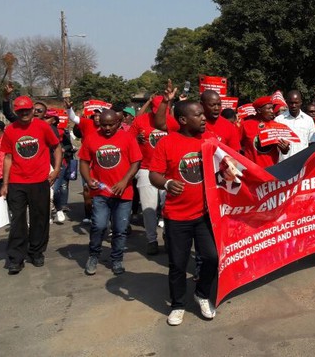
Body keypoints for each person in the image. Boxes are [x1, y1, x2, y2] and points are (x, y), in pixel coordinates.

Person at [149, 100, 219, 326]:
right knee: (178, 265)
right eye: (198, 115)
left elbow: (224, 165)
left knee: (211, 258)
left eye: (202, 114)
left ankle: (202, 294)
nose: (203, 118)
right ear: (182, 120)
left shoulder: (210, 139)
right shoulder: (166, 143)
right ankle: (178, 305)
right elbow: (154, 175)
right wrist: (167, 183)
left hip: (204, 215)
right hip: (177, 217)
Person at [0, 96, 62, 274]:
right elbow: (8, 157)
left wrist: (56, 169)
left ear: (32, 110)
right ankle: (16, 258)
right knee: (18, 220)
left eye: (27, 110)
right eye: (20, 111)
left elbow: (56, 147)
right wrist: (5, 184)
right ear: (16, 112)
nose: (24, 113)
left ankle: (36, 251)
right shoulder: (11, 130)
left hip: (40, 181)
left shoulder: (43, 127)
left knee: (39, 218)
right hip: (17, 182)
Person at [79, 109, 142, 276]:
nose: (107, 128)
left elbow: (136, 162)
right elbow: (84, 162)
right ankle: (93, 255)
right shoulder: (92, 138)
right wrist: (88, 179)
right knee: (98, 226)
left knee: (120, 229)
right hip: (100, 193)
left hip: (124, 194)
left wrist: (124, 182)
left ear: (118, 123)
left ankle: (117, 259)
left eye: (111, 125)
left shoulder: (127, 137)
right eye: (103, 125)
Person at [132, 89, 180, 255]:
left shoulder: (172, 121)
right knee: (149, 207)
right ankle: (151, 239)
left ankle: (168, 235)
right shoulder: (140, 121)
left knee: (169, 206)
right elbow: (129, 142)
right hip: (146, 169)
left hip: (169, 171)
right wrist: (136, 141)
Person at [239, 96, 290, 167]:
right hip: (252, 171)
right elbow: (237, 146)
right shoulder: (246, 125)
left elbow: (285, 151)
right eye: (269, 109)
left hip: (271, 171)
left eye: (272, 108)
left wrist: (285, 149)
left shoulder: (276, 126)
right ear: (259, 110)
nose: (272, 111)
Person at [275, 90, 315, 161]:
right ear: (287, 102)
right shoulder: (278, 120)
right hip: (284, 163)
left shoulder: (308, 120)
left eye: (296, 103)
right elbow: (275, 144)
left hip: (302, 163)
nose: (293, 106)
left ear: (301, 102)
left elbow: (312, 142)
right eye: (291, 103)